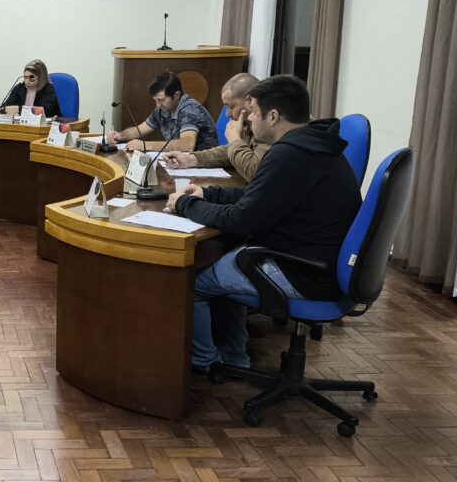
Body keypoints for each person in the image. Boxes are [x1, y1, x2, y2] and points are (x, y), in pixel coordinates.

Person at [164, 75, 361, 371]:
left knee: (193, 281)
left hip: (301, 272)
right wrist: (208, 193)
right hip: (317, 262)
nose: (249, 120)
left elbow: (240, 220)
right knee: (221, 259)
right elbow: (260, 195)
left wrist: (185, 204)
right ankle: (234, 357)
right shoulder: (314, 145)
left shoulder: (289, 155)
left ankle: (206, 361)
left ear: (273, 116)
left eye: (254, 112)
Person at [160, 73, 268, 182]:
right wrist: (191, 159)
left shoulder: (268, 128)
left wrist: (235, 139)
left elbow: (255, 173)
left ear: (249, 101)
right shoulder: (247, 124)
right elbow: (230, 152)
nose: (227, 114)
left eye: (231, 107)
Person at [106, 71, 218, 152]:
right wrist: (119, 136)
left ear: (177, 95)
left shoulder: (189, 109)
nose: (158, 105)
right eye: (155, 100)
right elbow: (139, 130)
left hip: (203, 166)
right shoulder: (163, 109)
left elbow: (187, 144)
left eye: (161, 100)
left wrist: (146, 145)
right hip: (182, 163)